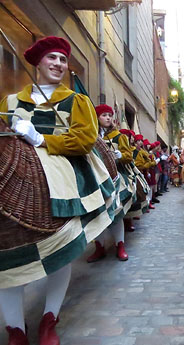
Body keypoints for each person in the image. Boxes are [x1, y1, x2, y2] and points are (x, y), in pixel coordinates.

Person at [0, 36, 114, 345]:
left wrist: (41, 140)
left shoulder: (76, 101)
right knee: (5, 258)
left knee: (60, 253)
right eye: (52, 58)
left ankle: (49, 318)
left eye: (63, 60)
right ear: (38, 63)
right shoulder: (10, 102)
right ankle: (15, 329)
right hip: (15, 171)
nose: (58, 64)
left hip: (59, 172)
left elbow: (85, 139)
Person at [87, 104, 136, 262]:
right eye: (104, 115)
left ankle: (120, 246)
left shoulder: (119, 136)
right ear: (97, 117)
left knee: (117, 212)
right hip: (95, 179)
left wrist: (120, 155)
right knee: (97, 215)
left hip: (115, 178)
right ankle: (99, 247)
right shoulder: (90, 134)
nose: (108, 118)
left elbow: (129, 156)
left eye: (109, 115)